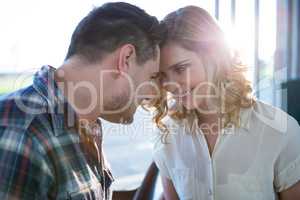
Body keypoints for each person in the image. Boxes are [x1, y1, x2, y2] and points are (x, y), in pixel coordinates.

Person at [0, 2, 163, 199]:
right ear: (126, 58)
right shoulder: (22, 132)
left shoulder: (85, 126)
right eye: (152, 77)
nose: (152, 95)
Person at [153, 6, 300, 200]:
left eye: (180, 69)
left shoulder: (280, 130)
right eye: (163, 75)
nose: (170, 85)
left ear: (214, 57)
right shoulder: (167, 134)